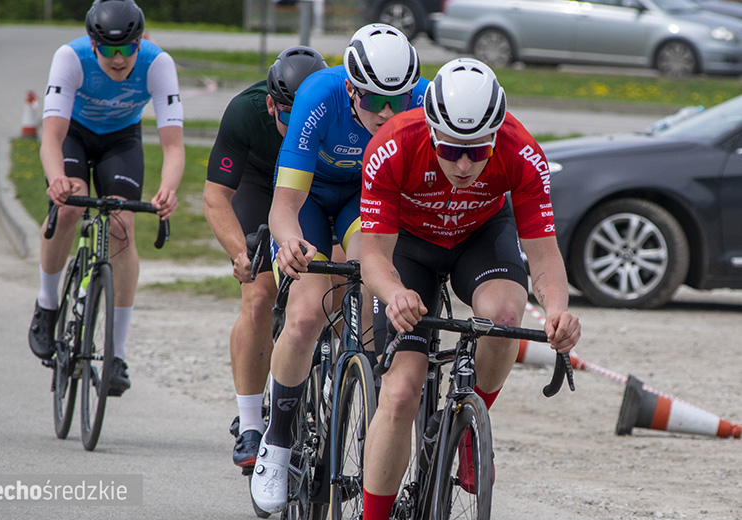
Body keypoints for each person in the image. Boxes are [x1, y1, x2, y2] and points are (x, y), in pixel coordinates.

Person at [357, 58, 582, 519]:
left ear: (496, 136)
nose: (463, 165)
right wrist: (395, 293)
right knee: (400, 394)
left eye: (478, 152)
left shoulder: (522, 152)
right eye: (451, 150)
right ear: (431, 130)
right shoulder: (393, 145)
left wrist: (557, 310)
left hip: (479, 237)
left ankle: (467, 426)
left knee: (504, 318)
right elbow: (373, 254)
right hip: (408, 247)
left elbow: (543, 255)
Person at [249, 23, 429, 513]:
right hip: (309, 196)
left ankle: (357, 391)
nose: (387, 112)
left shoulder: (423, 99)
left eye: (398, 99)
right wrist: (290, 242)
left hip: (364, 201)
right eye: (374, 100)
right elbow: (284, 205)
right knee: (307, 313)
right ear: (350, 88)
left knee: (372, 287)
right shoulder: (319, 96)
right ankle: (277, 441)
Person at [28, 0, 185, 397]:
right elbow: (51, 136)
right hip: (73, 135)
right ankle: (47, 304)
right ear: (93, 45)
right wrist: (57, 179)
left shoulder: (158, 64)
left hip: (121, 140)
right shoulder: (70, 58)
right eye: (109, 50)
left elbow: (173, 146)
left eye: (127, 48)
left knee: (121, 225)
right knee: (68, 208)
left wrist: (168, 189)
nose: (118, 59)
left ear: (140, 42)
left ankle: (116, 354)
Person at [202, 46, 328, 469]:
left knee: (334, 288)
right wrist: (241, 253)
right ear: (272, 105)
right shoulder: (246, 113)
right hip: (262, 184)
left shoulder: (337, 107)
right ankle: (252, 424)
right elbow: (216, 197)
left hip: (315, 188)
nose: (300, 125)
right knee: (259, 295)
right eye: (290, 116)